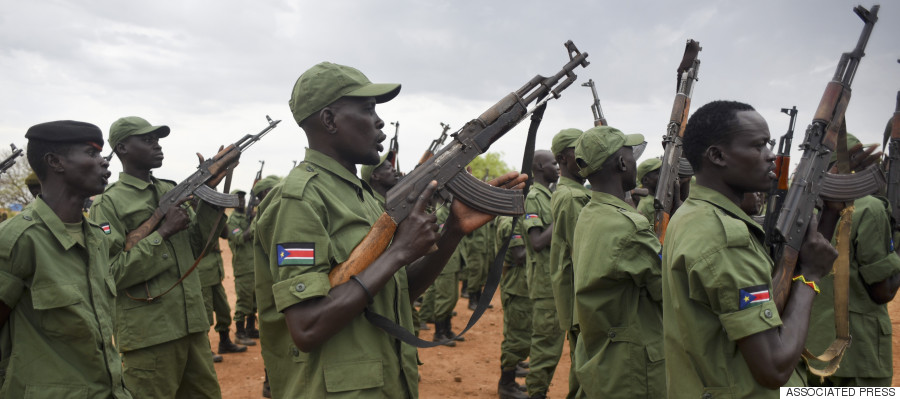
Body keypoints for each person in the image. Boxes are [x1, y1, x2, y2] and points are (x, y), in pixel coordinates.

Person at [254, 62, 525, 398]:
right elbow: (307, 327)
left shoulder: (362, 197)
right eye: (368, 109)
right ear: (329, 120)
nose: (380, 121)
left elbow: (394, 292)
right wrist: (397, 252)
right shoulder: (299, 199)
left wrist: (453, 230)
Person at [663, 100, 839, 397]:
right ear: (717, 156)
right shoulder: (724, 237)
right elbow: (774, 367)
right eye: (759, 146)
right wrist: (810, 276)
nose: (771, 157)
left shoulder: (693, 214)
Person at [90, 116, 222, 398]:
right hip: (149, 337)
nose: (157, 146)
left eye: (158, 140)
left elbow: (198, 246)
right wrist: (162, 233)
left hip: (193, 328)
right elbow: (111, 273)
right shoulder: (108, 203)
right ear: (123, 148)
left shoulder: (168, 189)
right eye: (147, 140)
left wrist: (211, 196)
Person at [0, 120, 130, 398]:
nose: (104, 163)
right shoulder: (19, 239)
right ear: (55, 162)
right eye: (91, 153)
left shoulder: (95, 237)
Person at [570, 126, 665, 397]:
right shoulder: (630, 226)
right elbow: (669, 292)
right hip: (633, 366)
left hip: (602, 355)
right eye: (631, 156)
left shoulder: (591, 212)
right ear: (623, 163)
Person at [805, 133, 900, 387]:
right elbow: (883, 290)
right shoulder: (869, 207)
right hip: (858, 357)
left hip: (807, 354)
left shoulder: (800, 207)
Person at [546, 128, 586, 399]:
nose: (584, 154)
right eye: (578, 149)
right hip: (581, 301)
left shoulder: (575, 195)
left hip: (578, 299)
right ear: (561, 158)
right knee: (588, 376)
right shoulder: (572, 198)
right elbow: (585, 254)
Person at [522, 149, 563, 399]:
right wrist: (561, 215)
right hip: (545, 284)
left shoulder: (550, 195)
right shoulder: (534, 197)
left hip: (555, 281)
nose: (557, 167)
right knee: (545, 347)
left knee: (552, 345)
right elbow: (536, 242)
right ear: (539, 166)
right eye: (553, 163)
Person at [196, 198, 249, 358]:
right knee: (204, 315)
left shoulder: (212, 218)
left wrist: (219, 213)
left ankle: (224, 342)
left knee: (224, 311)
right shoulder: (194, 218)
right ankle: (205, 351)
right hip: (202, 275)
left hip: (215, 273)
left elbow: (225, 233)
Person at [496, 215, 531, 399]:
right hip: (517, 286)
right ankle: (506, 384)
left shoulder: (512, 220)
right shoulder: (510, 222)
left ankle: (510, 376)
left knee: (517, 333)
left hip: (519, 284)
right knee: (516, 336)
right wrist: (541, 239)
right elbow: (519, 256)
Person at [226, 189, 259, 344]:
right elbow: (239, 238)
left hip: (254, 264)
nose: (242, 201)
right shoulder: (232, 220)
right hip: (243, 267)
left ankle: (250, 328)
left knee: (254, 300)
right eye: (238, 199)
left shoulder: (249, 216)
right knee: (244, 300)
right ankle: (240, 333)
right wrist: (254, 222)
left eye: (243, 198)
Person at [635, 157, 662, 224]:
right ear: (646, 180)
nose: (663, 175)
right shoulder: (646, 205)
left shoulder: (656, 198)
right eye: (658, 173)